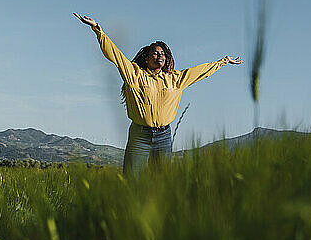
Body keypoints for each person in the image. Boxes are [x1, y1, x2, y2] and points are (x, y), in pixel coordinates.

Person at [74, 12, 243, 175]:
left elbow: (200, 71)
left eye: (162, 53)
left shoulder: (175, 79)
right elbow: (115, 55)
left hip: (164, 136)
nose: (159, 56)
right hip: (139, 136)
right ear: (147, 58)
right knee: (133, 179)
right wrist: (97, 29)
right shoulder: (134, 74)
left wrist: (224, 61)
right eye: (155, 53)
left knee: (161, 182)